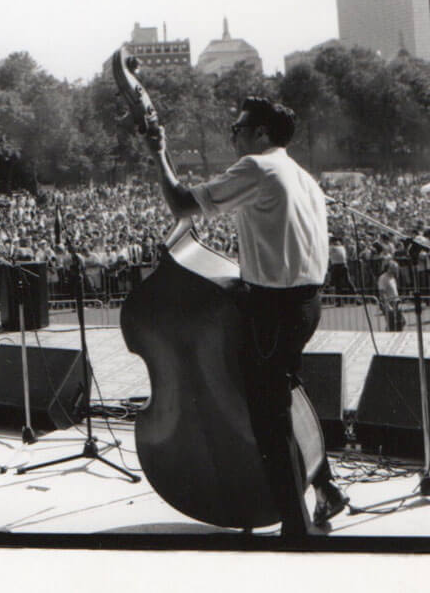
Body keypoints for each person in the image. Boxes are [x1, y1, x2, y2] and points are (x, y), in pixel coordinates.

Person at [144, 97, 348, 538]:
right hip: (304, 304)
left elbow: (182, 204)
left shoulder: (258, 168)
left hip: (275, 309)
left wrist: (159, 151)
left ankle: (294, 528)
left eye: (237, 128)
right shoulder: (300, 174)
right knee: (287, 397)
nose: (232, 136)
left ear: (260, 133)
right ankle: (326, 488)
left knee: (268, 422)